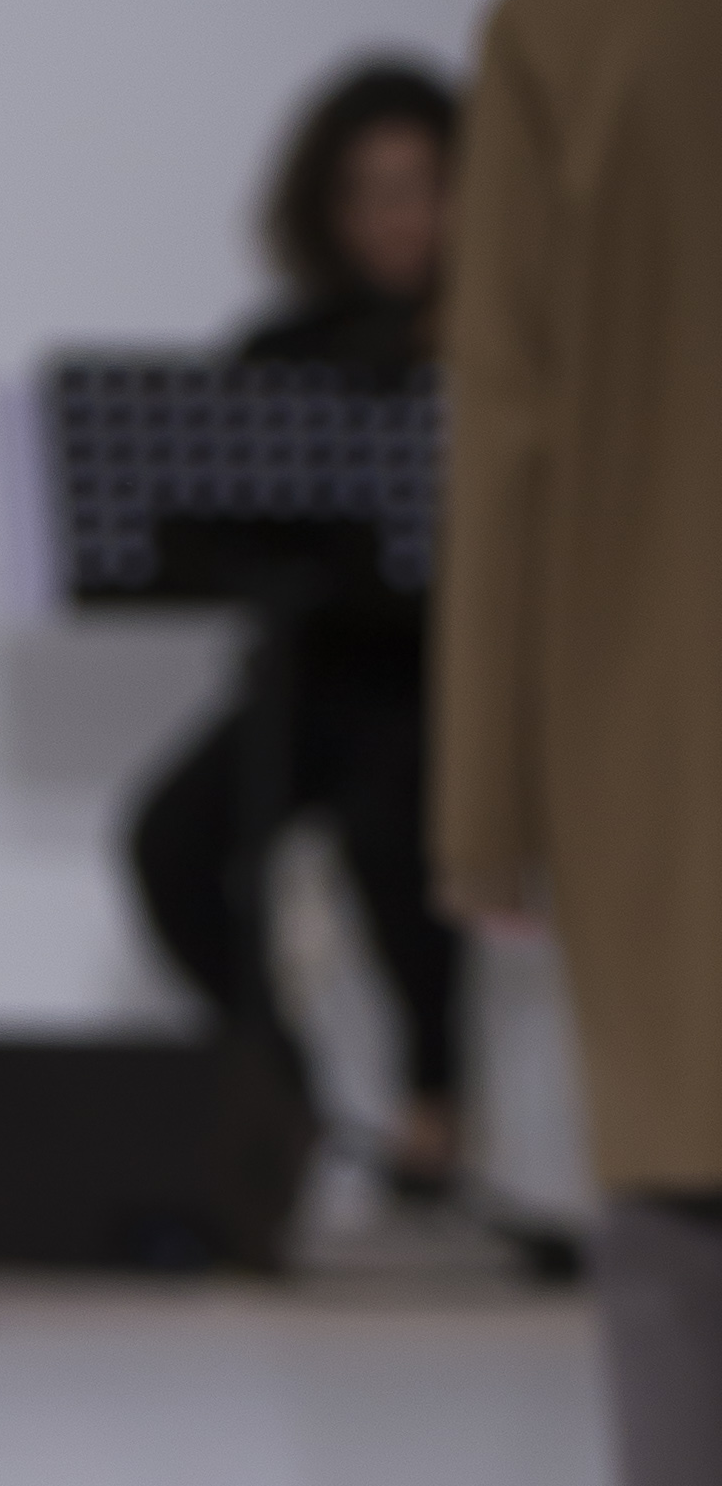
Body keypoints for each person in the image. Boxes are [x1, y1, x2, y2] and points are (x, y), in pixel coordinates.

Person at [438, 0, 722, 1486]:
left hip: (667, 729)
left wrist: (485, 800)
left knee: (682, 1266)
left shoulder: (574, 34)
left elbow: (513, 436)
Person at [123, 60, 467, 1196]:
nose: (395, 218)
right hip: (312, 679)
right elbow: (194, 522)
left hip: (447, 687)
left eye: (421, 187)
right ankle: (289, 1078)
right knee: (170, 839)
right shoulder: (289, 352)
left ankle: (436, 1106)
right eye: (366, 192)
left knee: (393, 830)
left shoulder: (507, 355)